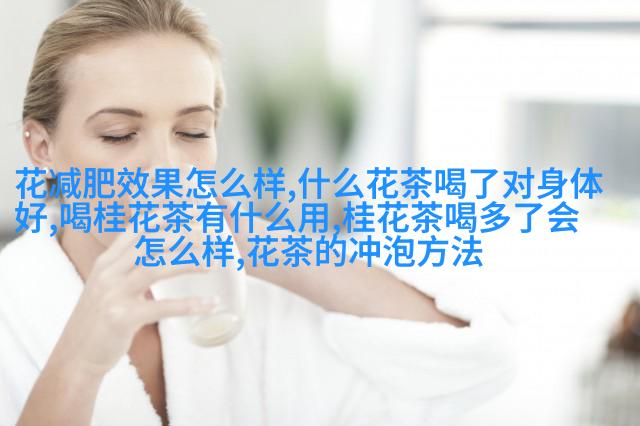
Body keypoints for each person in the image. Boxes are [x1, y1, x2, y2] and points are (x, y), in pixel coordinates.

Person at [0, 0, 516, 425]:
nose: (166, 166)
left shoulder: (249, 303)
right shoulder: (12, 309)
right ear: (42, 147)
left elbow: (470, 364)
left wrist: (268, 247)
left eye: (192, 132)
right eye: (119, 134)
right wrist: (79, 363)